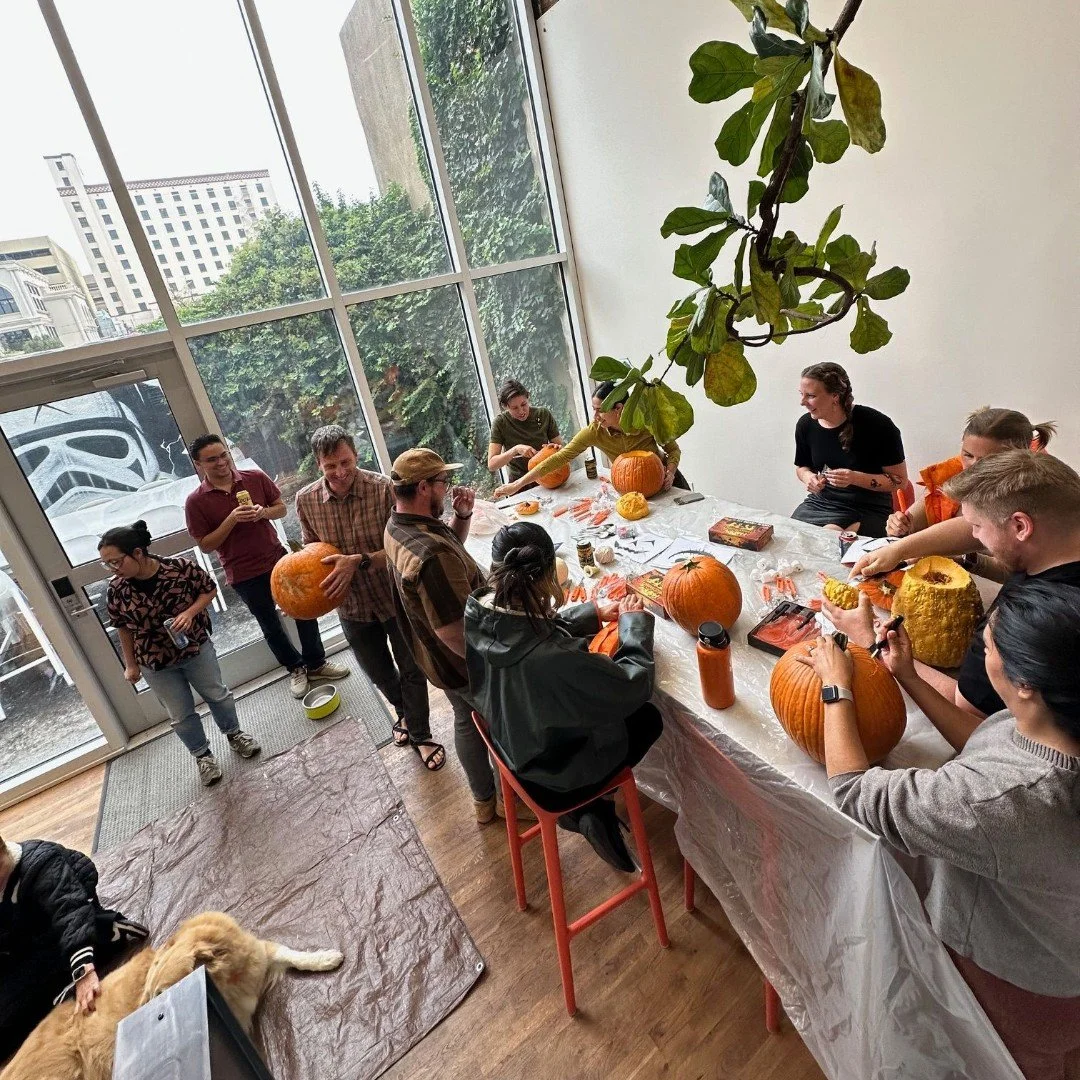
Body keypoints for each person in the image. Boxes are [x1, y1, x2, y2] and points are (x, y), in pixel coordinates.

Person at [800, 581, 1080, 1080]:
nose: (981, 650)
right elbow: (985, 742)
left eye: (988, 647)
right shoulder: (1054, 722)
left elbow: (854, 792)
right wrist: (905, 674)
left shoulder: (1001, 799)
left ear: (1025, 684)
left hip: (1023, 982)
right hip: (1060, 946)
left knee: (1008, 1063)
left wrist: (835, 686)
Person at [465, 521, 663, 871]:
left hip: (512, 744)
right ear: (544, 578)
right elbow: (635, 685)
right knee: (648, 718)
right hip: (553, 774)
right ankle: (587, 806)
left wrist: (591, 613)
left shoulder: (479, 611)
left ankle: (591, 810)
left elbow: (526, 630)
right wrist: (634, 625)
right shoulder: (555, 658)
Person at [839, 450, 1080, 722]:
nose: (973, 534)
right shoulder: (1062, 531)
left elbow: (967, 715)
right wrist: (898, 550)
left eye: (977, 525)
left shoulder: (1026, 619)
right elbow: (968, 531)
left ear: (1020, 526)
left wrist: (873, 643)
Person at [294, 426, 434, 766]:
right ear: (318, 465)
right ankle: (402, 711)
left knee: (412, 667)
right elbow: (312, 555)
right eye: (330, 466)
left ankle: (420, 733)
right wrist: (301, 591)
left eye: (346, 462)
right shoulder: (306, 501)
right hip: (351, 606)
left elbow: (404, 545)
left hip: (394, 597)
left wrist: (360, 560)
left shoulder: (383, 489)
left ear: (356, 455)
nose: (340, 473)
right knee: (379, 672)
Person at [184, 433, 350, 699]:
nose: (221, 462)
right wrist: (231, 520)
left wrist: (263, 512)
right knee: (270, 624)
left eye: (224, 454)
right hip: (242, 572)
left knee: (304, 611)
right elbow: (205, 544)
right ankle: (295, 669)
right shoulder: (195, 501)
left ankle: (317, 663)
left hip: (279, 560)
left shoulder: (254, 478)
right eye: (211, 459)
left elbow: (281, 509)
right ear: (198, 464)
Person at [383, 448, 500, 821]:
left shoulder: (399, 525)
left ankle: (484, 802)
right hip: (462, 661)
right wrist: (496, 664)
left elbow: (448, 559)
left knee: (465, 720)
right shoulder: (430, 555)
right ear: (422, 487)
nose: (447, 488)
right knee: (501, 726)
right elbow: (453, 630)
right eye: (442, 483)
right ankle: (516, 801)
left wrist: (461, 517)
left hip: (432, 657)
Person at [100, 520, 260, 786]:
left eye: (116, 562)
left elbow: (208, 590)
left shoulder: (179, 568)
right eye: (107, 564)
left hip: (195, 646)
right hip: (154, 660)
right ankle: (202, 756)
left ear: (138, 553)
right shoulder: (117, 589)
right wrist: (131, 665)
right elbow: (123, 628)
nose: (113, 569)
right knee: (180, 713)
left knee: (217, 695)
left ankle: (235, 735)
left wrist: (189, 613)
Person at [0, 834, 149, 1060]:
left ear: (4, 852)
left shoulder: (41, 864)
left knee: (18, 1008)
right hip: (26, 937)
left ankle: (103, 931)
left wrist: (83, 972)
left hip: (65, 925)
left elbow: (70, 910)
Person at [493, 380, 687, 500]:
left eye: (599, 410)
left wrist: (670, 472)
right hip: (631, 491)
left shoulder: (647, 420)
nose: (594, 416)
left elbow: (674, 450)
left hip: (665, 484)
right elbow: (559, 458)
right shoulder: (595, 431)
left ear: (618, 408)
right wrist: (516, 485)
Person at [887, 407, 1055, 538]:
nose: (974, 466)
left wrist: (907, 547)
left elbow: (970, 534)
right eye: (968, 455)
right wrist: (900, 526)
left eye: (987, 459)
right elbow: (914, 522)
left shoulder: (1034, 490)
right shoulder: (950, 475)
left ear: (1018, 456)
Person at [791, 361, 908, 538]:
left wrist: (854, 478)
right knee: (790, 536)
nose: (802, 402)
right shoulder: (806, 425)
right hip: (820, 503)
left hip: (867, 508)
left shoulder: (878, 425)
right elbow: (802, 467)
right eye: (802, 394)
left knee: (829, 539)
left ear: (835, 396)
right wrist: (808, 478)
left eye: (811, 396)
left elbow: (900, 481)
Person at [487, 378, 561, 482]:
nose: (521, 411)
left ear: (528, 398)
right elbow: (492, 465)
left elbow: (561, 449)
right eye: (514, 408)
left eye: (524, 404)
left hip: (546, 476)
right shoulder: (500, 423)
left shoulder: (543, 414)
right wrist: (515, 450)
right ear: (505, 407)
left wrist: (554, 449)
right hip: (518, 482)